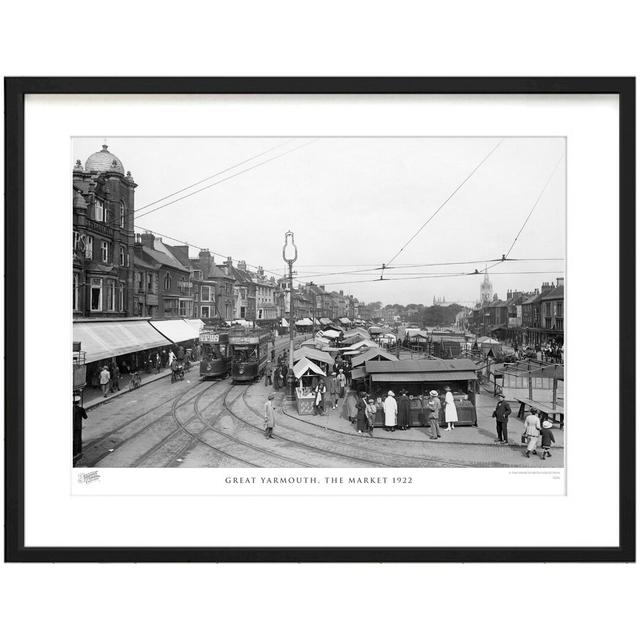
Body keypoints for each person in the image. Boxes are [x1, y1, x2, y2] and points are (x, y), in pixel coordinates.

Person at [73, 395, 87, 461]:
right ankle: (77, 451)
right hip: (77, 426)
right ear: (78, 402)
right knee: (77, 439)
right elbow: (85, 417)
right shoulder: (80, 409)